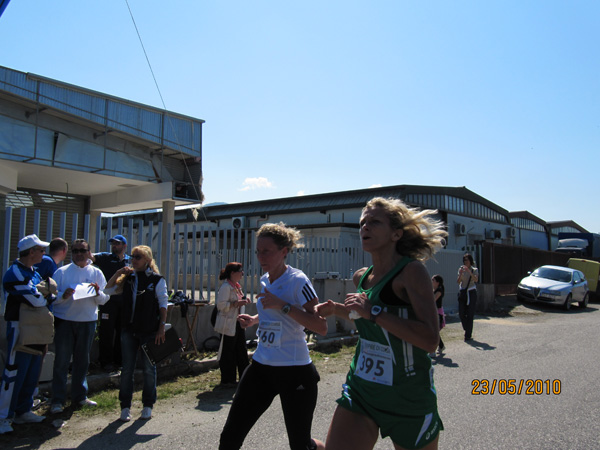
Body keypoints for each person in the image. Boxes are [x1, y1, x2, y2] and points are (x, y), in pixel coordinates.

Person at [316, 197, 447, 450]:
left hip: (407, 396)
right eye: (363, 222)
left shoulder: (411, 272)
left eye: (374, 222)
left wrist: (373, 311)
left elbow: (430, 340)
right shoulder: (361, 277)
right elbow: (367, 319)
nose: (365, 227)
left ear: (396, 233)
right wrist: (337, 310)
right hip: (362, 388)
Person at [219, 222, 327, 450]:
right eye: (258, 251)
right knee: (230, 437)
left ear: (284, 251)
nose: (260, 256)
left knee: (300, 445)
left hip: (295, 370)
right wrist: (255, 319)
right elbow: (273, 313)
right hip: (261, 367)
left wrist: (284, 305)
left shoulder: (299, 281)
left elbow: (320, 326)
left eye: (266, 251)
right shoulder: (266, 280)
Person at [104, 245, 168, 422]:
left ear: (147, 260)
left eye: (138, 257)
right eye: (132, 256)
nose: (134, 260)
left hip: (148, 330)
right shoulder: (129, 278)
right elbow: (107, 290)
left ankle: (148, 404)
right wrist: (118, 273)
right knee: (127, 369)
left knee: (149, 368)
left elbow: (163, 304)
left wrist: (161, 327)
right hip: (128, 330)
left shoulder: (156, 280)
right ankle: (125, 406)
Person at [0, 235, 53, 434]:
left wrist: (46, 294)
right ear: (31, 252)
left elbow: (47, 295)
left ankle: (23, 410)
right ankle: (4, 416)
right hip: (19, 327)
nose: (43, 253)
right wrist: (46, 294)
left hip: (37, 328)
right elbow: (36, 299)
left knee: (32, 371)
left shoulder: (34, 273)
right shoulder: (14, 272)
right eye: (40, 250)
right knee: (15, 371)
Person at [50, 239, 110, 414]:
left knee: (82, 361)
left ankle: (79, 396)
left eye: (82, 251)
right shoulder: (61, 273)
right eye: (75, 251)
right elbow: (52, 298)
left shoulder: (96, 273)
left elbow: (105, 298)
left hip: (87, 321)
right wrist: (64, 295)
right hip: (65, 321)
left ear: (88, 252)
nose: (78, 254)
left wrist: (97, 291)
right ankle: (57, 400)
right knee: (61, 361)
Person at [92, 234, 131, 372]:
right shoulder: (106, 257)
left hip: (124, 302)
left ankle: (119, 361)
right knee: (106, 332)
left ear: (124, 246)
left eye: (118, 243)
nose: (114, 246)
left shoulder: (129, 261)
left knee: (122, 332)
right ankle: (105, 362)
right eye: (113, 243)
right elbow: (90, 257)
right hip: (108, 302)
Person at [214, 262, 250, 387]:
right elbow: (221, 305)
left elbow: (237, 300)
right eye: (240, 271)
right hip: (228, 324)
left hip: (238, 322)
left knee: (241, 350)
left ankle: (244, 377)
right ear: (232, 273)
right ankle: (227, 380)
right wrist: (236, 304)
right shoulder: (225, 287)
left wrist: (243, 301)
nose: (242, 274)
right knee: (228, 352)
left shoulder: (236, 286)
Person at [457, 253, 479, 342]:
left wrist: (469, 272)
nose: (466, 262)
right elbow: (458, 282)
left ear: (470, 261)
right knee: (461, 313)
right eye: (464, 260)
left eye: (467, 260)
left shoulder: (474, 269)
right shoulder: (460, 269)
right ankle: (467, 328)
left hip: (471, 292)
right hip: (463, 292)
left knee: (470, 314)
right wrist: (461, 273)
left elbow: (476, 280)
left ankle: (468, 335)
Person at [432, 275, 445, 356]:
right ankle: (441, 346)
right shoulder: (434, 290)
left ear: (437, 282)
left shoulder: (439, 290)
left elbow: (432, 300)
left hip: (438, 314)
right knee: (434, 332)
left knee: (434, 332)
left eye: (433, 280)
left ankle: (432, 350)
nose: (431, 281)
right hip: (433, 313)